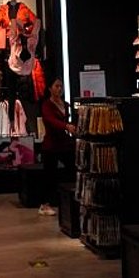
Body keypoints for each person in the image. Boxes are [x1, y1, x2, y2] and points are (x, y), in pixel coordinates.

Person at [38, 78, 76, 217]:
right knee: (49, 175)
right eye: (56, 86)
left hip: (64, 144)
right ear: (50, 88)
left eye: (61, 86)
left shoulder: (65, 104)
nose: (60, 89)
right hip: (51, 145)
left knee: (73, 168)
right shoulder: (46, 105)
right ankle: (44, 205)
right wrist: (66, 126)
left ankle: (72, 198)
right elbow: (51, 120)